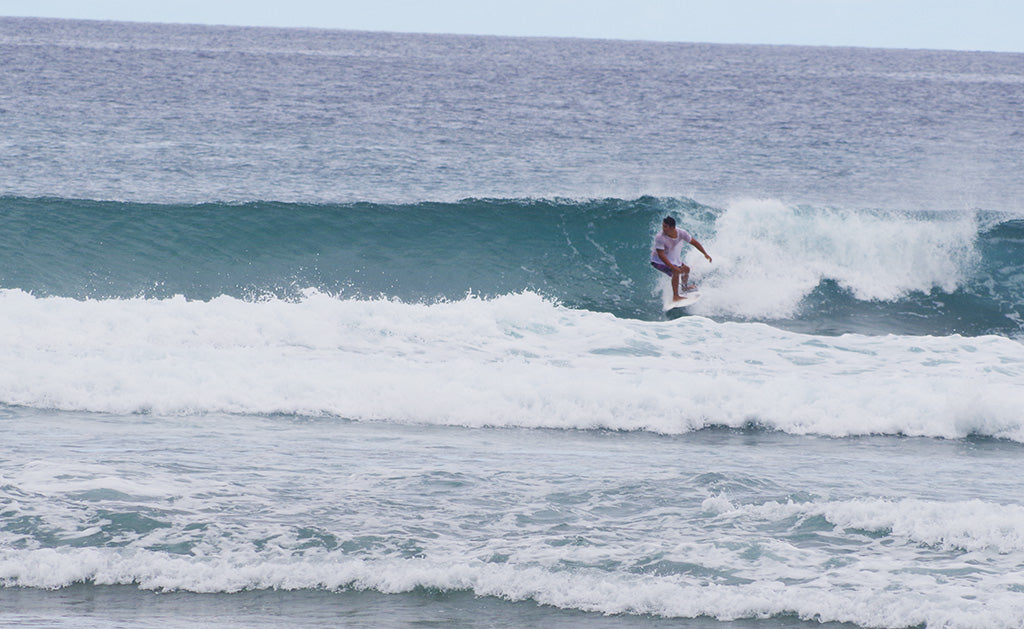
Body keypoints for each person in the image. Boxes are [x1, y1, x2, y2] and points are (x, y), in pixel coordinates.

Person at [650, 216, 712, 301]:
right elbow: (661, 255)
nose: (663, 228)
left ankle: (684, 288)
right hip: (658, 261)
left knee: (686, 269)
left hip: (671, 258)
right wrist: (673, 267)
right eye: (663, 226)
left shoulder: (681, 233)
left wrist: (705, 253)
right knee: (675, 271)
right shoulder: (660, 237)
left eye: (665, 226)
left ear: (672, 227)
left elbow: (694, 242)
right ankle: (675, 296)